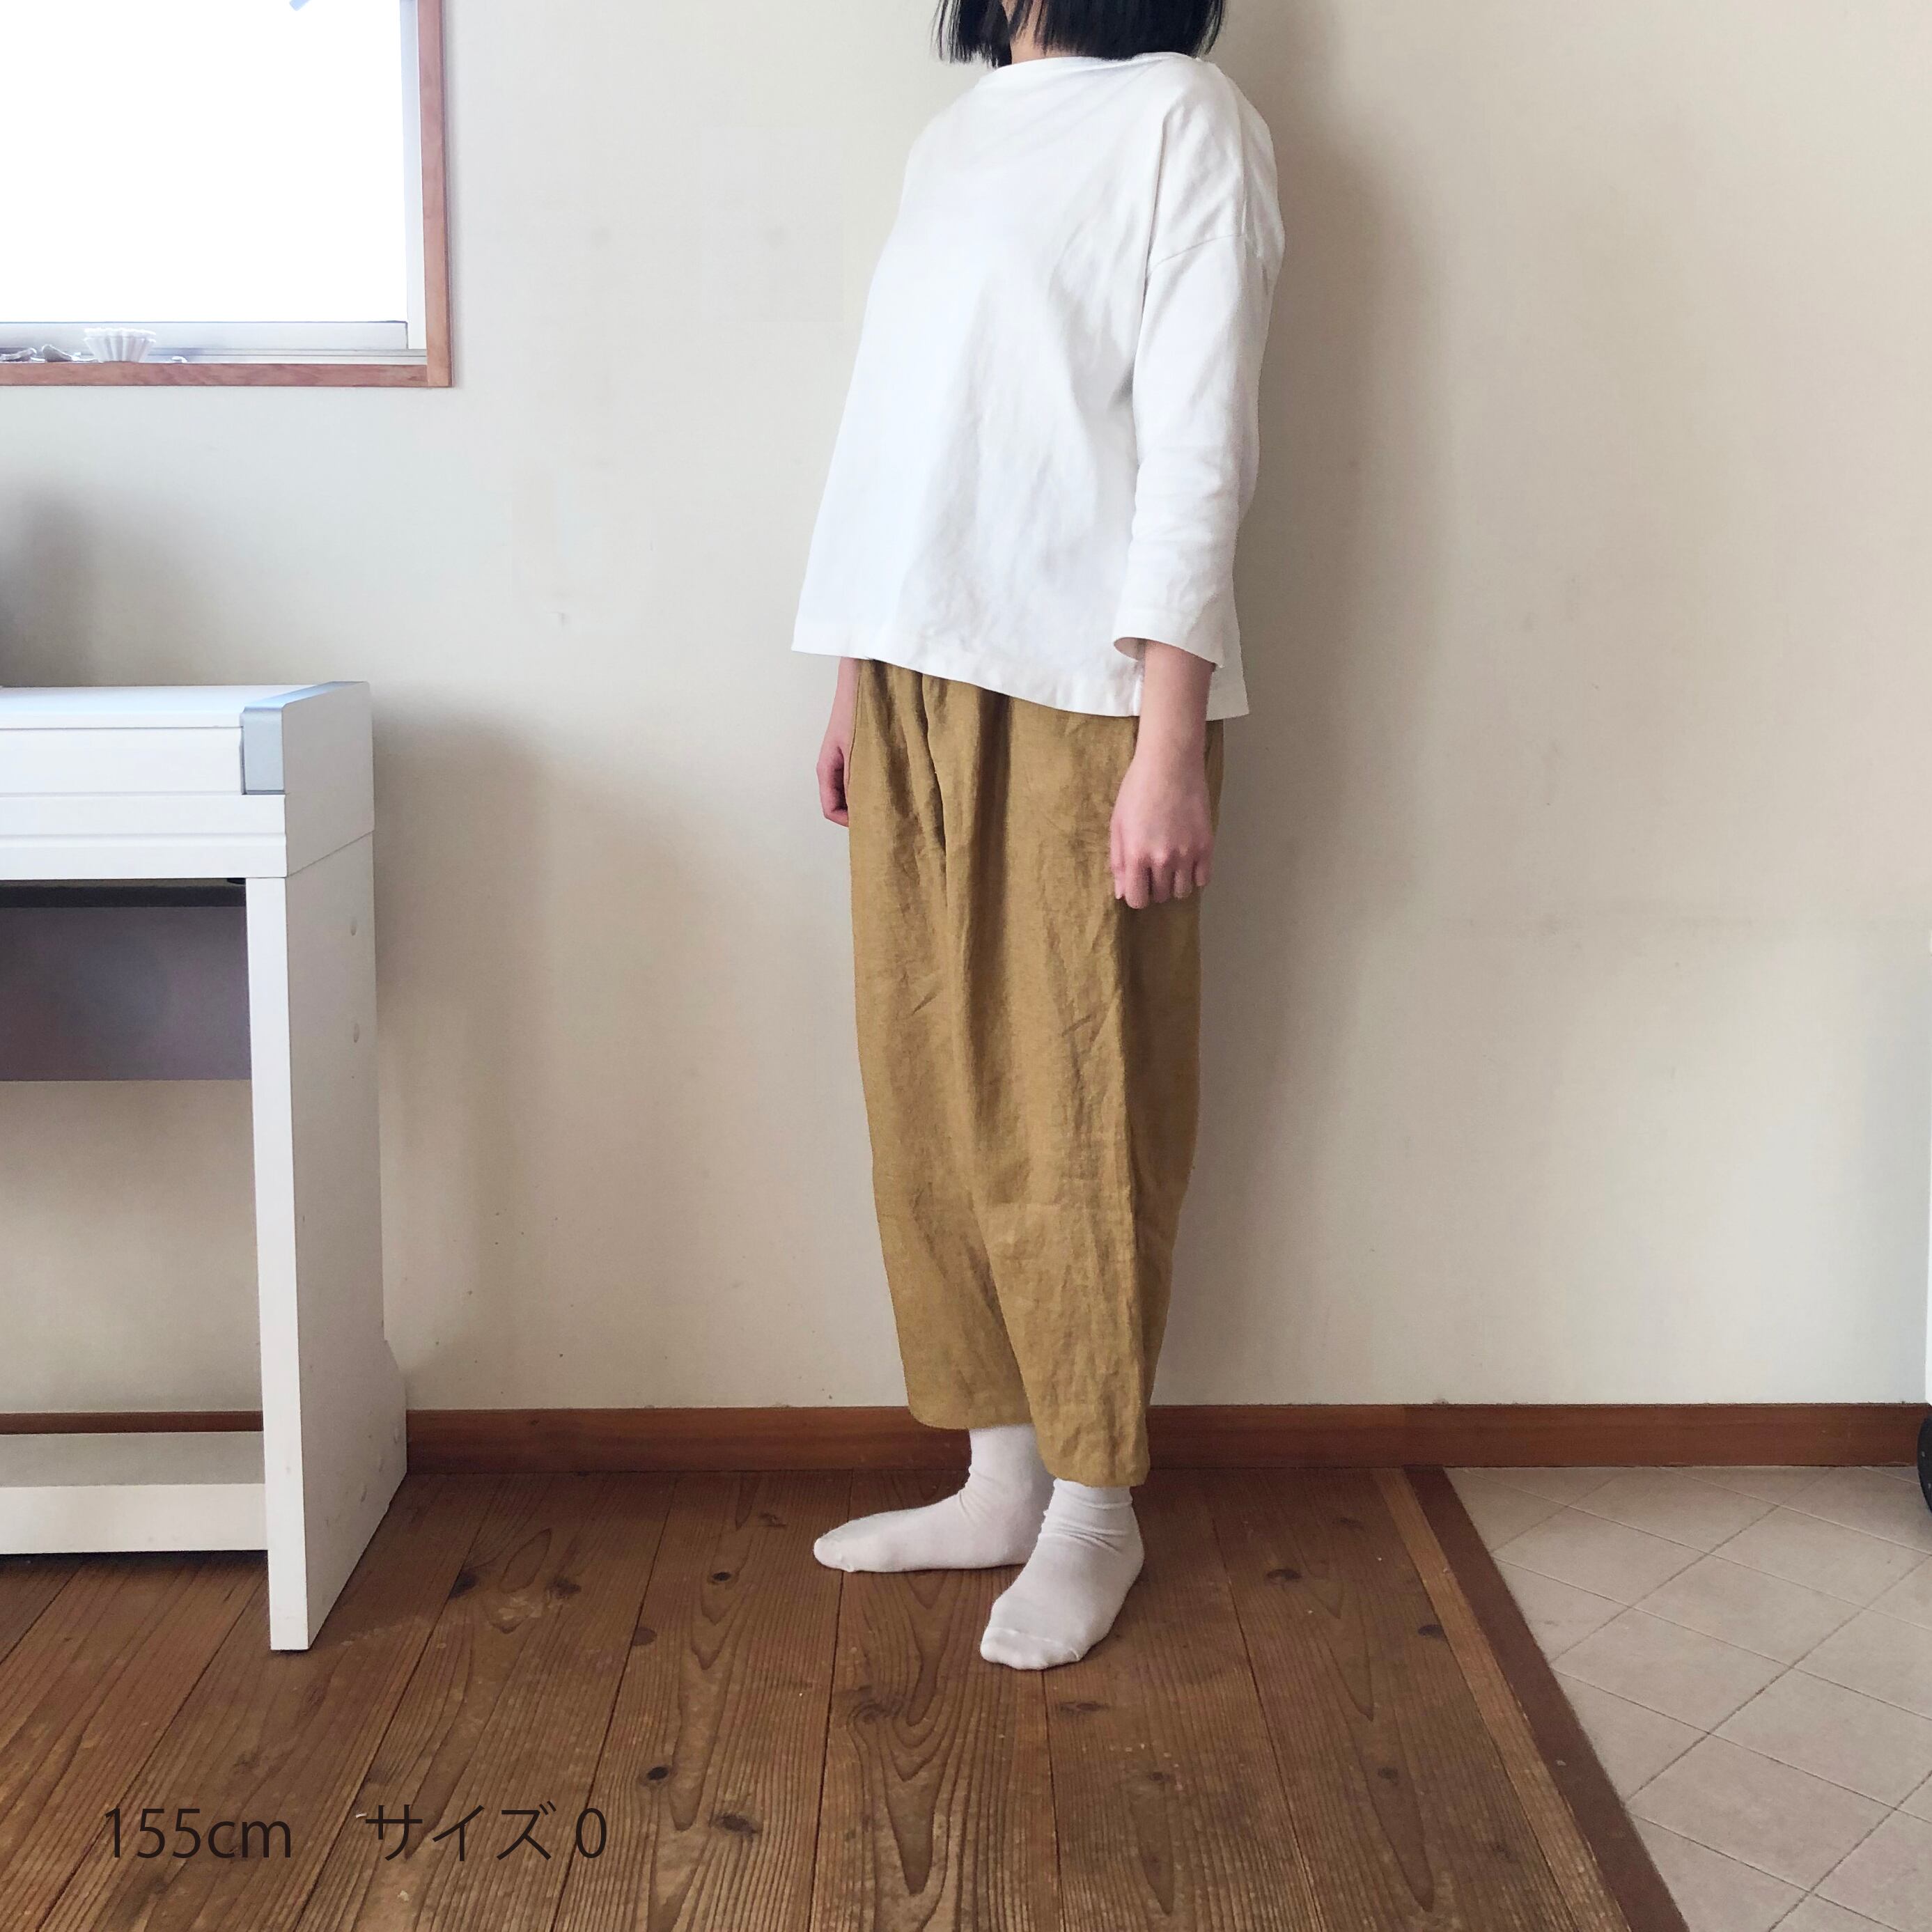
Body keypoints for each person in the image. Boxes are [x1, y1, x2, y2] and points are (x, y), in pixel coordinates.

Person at [795, 0, 1282, 1669]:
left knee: (1077, 1097)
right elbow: (898, 432)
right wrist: (851, 677)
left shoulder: (1179, 116)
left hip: (1083, 683)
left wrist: (1170, 739)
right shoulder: (950, 142)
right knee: (927, 1088)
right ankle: (999, 1478)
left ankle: (1093, 1505)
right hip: (911, 669)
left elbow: (1202, 436)